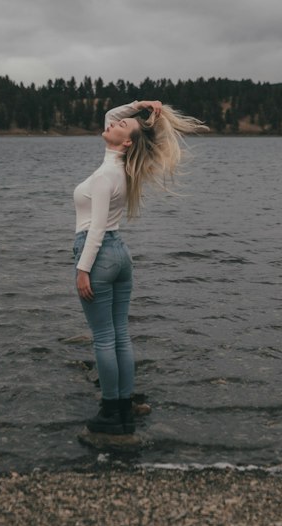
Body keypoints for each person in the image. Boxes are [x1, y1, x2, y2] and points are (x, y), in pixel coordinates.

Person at [72, 98, 208, 436]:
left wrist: (82, 269)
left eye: (123, 126)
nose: (115, 124)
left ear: (128, 142)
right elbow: (110, 116)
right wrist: (140, 106)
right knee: (119, 334)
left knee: (103, 337)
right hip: (121, 256)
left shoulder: (106, 176)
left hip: (100, 254)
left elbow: (97, 228)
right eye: (120, 123)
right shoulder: (119, 167)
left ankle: (111, 413)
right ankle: (125, 405)